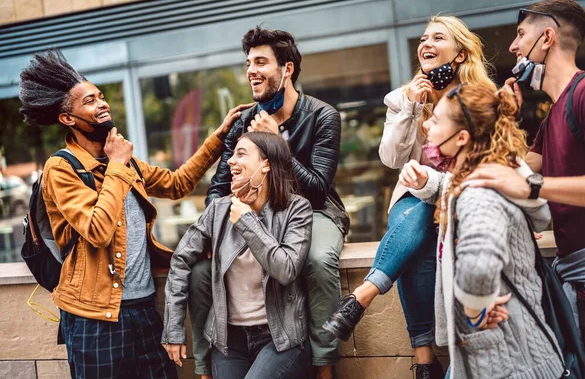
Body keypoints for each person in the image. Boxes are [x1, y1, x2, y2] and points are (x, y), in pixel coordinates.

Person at [18, 48, 244, 379]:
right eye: (90, 101)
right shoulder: (61, 168)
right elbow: (98, 230)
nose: (102, 104)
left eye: (101, 97)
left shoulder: (123, 163)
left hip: (142, 309)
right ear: (68, 118)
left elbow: (177, 183)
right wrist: (119, 165)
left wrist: (218, 138)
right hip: (93, 318)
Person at [323, 15, 496, 378]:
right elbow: (392, 159)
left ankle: (413, 352)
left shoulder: (481, 97)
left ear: (461, 54)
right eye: (423, 38)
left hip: (462, 197)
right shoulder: (402, 98)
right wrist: (412, 108)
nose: (426, 44)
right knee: (418, 215)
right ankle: (418, 355)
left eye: (438, 38)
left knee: (418, 234)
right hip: (414, 197)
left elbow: (493, 157)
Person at [190, 27, 349, 379]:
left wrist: (280, 145)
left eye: (261, 61)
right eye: (248, 63)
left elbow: (319, 190)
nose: (251, 70)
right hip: (257, 215)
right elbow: (217, 190)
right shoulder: (244, 122)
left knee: (318, 260)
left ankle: (324, 363)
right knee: (201, 270)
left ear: (287, 69)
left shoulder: (322, 116)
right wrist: (211, 235)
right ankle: (205, 366)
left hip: (316, 211)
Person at [465, 0, 585, 377]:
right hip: (573, 273)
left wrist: (535, 187)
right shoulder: (555, 111)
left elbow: (528, 180)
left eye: (521, 35)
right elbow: (514, 169)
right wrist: (506, 115)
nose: (513, 46)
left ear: (548, 38)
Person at [403, 83, 564, 378]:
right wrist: (427, 181)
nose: (426, 124)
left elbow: (478, 266)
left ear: (462, 137)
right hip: (510, 356)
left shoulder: (478, 192)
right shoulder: (481, 176)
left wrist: (474, 312)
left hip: (507, 363)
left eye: (436, 120)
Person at [162, 132, 313, 379]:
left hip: (281, 339)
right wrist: (174, 329)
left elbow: (286, 270)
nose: (231, 161)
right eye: (232, 154)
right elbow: (180, 260)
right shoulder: (219, 210)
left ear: (265, 165)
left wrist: (247, 222)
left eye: (241, 154)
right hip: (229, 341)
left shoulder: (296, 209)